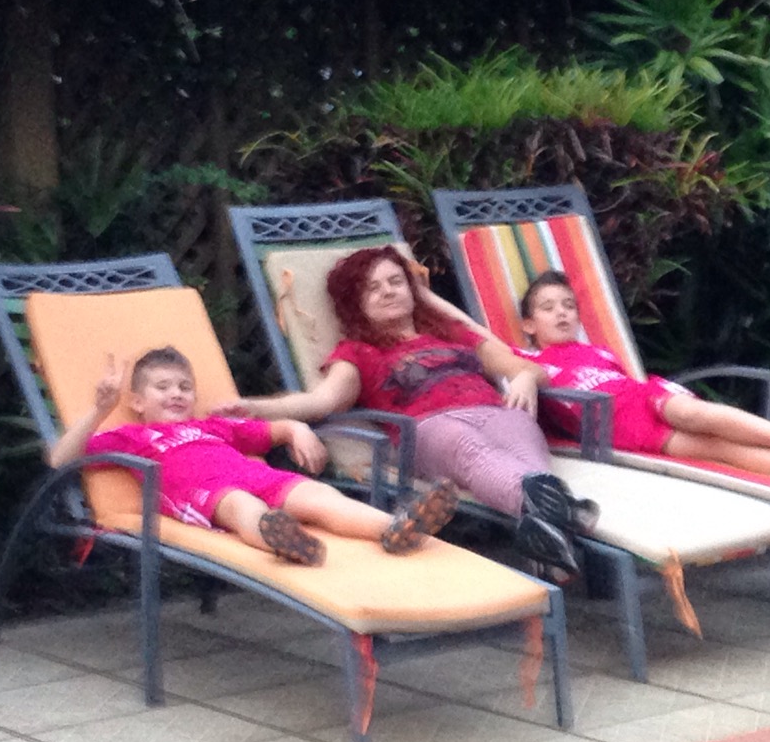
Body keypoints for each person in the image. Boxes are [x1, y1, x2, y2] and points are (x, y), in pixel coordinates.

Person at [222, 246, 592, 574]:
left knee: (520, 428)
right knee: (465, 445)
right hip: (430, 428)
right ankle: (564, 512)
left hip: (495, 412)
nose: (388, 291)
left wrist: (525, 377)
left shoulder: (451, 332)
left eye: (396, 281)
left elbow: (524, 367)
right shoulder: (358, 351)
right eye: (373, 287)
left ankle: (548, 532)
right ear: (356, 303)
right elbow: (322, 401)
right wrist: (255, 408)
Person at [49, 345, 456, 567]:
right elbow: (61, 459)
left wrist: (297, 429)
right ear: (137, 402)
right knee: (240, 506)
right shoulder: (132, 436)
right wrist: (100, 409)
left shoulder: (215, 426)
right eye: (163, 387)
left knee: (319, 497)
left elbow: (272, 430)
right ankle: (283, 540)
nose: (176, 394)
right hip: (206, 495)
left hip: (260, 478)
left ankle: (397, 528)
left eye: (185, 387)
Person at [505, 271, 770, 488]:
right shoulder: (526, 359)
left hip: (645, 395)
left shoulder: (599, 351)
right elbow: (508, 362)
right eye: (548, 308)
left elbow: (627, 382)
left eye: (568, 305)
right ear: (528, 325)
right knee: (718, 450)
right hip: (624, 429)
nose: (562, 312)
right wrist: (523, 377)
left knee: (696, 415)